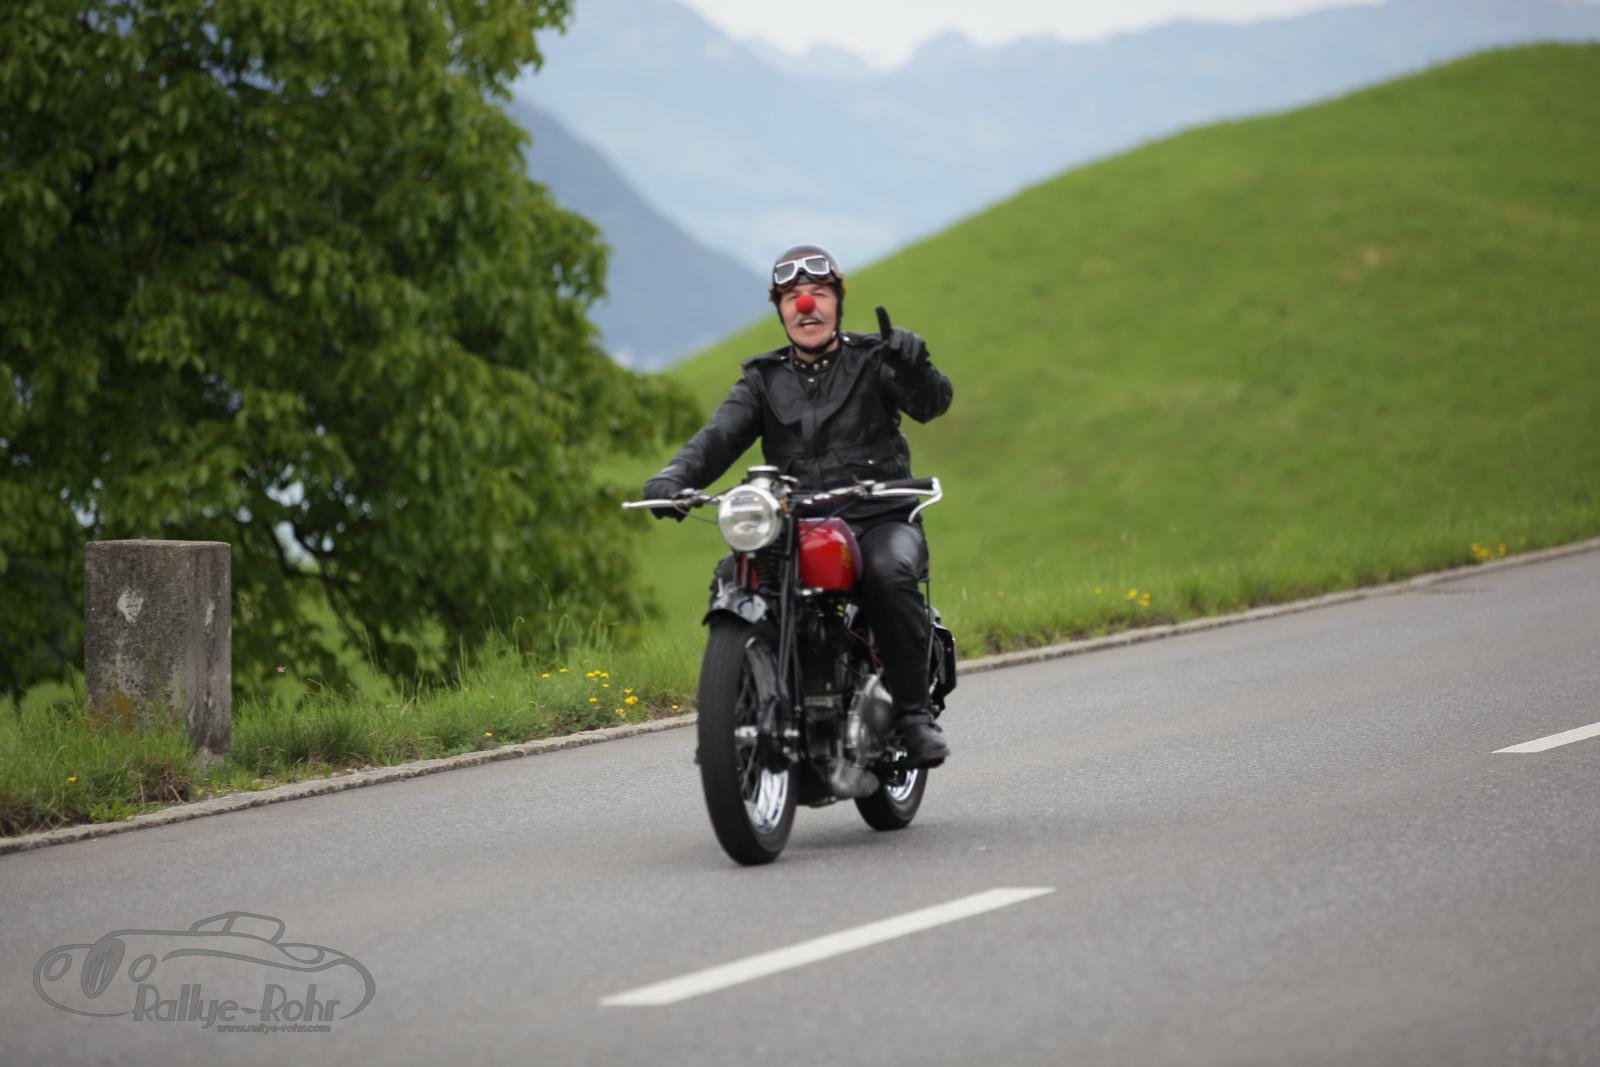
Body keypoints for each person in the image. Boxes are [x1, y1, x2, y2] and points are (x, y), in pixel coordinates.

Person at [643, 244, 954, 766]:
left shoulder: (876, 359)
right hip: (796, 526)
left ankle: (913, 717)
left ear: (837, 302)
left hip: (878, 517)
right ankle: (748, 705)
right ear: (780, 309)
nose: (805, 306)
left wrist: (915, 367)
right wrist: (674, 477)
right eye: (791, 297)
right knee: (734, 575)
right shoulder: (762, 380)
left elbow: (931, 404)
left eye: (818, 293)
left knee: (886, 573)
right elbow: (718, 436)